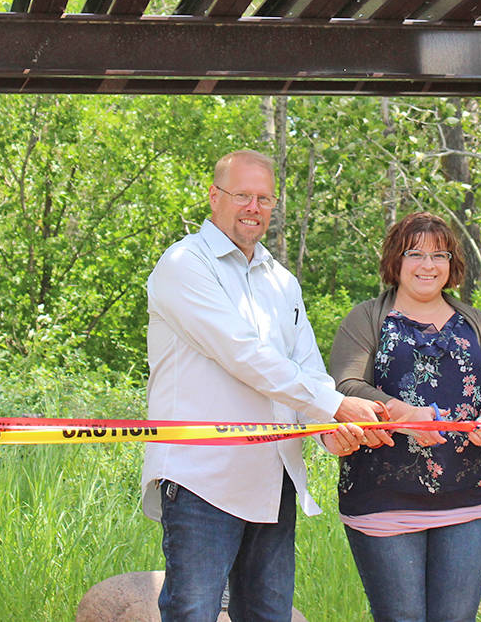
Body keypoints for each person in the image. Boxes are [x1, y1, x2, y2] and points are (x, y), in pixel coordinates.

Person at [141, 149, 390, 622]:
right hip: (201, 480)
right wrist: (334, 406)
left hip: (274, 479)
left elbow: (306, 368)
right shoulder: (183, 264)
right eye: (242, 196)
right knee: (192, 613)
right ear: (214, 198)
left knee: (269, 616)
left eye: (264, 198)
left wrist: (325, 427)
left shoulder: (282, 280)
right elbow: (243, 356)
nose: (253, 208)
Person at [329, 212, 481, 622]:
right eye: (415, 254)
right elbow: (343, 386)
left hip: (468, 497)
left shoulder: (476, 323)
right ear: (395, 261)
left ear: (453, 265)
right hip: (382, 499)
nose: (428, 265)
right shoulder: (366, 319)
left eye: (440, 255)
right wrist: (399, 413)